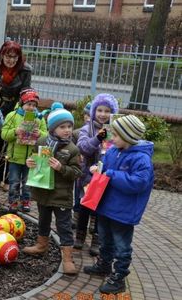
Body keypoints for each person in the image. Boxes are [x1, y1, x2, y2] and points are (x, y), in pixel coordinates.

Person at [83, 115, 151, 295]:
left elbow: (138, 183)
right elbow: (104, 168)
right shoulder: (113, 151)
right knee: (105, 239)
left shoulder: (141, 159)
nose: (112, 138)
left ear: (128, 137)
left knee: (122, 245)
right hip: (105, 206)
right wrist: (97, 170)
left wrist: (109, 173)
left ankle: (119, 276)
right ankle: (104, 265)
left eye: (117, 135)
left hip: (124, 212)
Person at [24, 104, 82, 275]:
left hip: (61, 195)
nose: (67, 130)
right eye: (62, 127)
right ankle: (41, 245)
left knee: (63, 225)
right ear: (52, 128)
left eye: (69, 126)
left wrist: (61, 168)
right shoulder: (42, 142)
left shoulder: (72, 149)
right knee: (43, 220)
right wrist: (30, 162)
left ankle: (67, 258)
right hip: (43, 192)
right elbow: (33, 159)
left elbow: (77, 172)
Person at [76, 93, 119, 256]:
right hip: (87, 175)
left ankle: (96, 238)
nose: (103, 114)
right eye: (99, 110)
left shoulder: (115, 129)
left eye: (107, 111)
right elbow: (82, 148)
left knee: (99, 209)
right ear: (94, 111)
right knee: (85, 206)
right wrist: (97, 138)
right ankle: (80, 235)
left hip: (106, 176)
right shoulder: (88, 128)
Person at [0, 40, 32, 191]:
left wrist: (20, 111)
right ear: (2, 55)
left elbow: (25, 91)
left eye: (14, 57)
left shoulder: (25, 70)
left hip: (16, 108)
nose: (11, 60)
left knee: (12, 143)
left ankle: (8, 180)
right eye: (8, 56)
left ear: (19, 57)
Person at [1, 88, 47, 212]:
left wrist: (39, 134)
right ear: (22, 104)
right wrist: (15, 132)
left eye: (34, 105)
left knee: (28, 183)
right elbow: (4, 134)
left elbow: (46, 137)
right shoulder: (13, 115)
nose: (31, 107)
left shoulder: (39, 118)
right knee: (14, 181)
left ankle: (26, 201)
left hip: (32, 158)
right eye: (28, 104)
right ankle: (13, 202)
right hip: (15, 156)